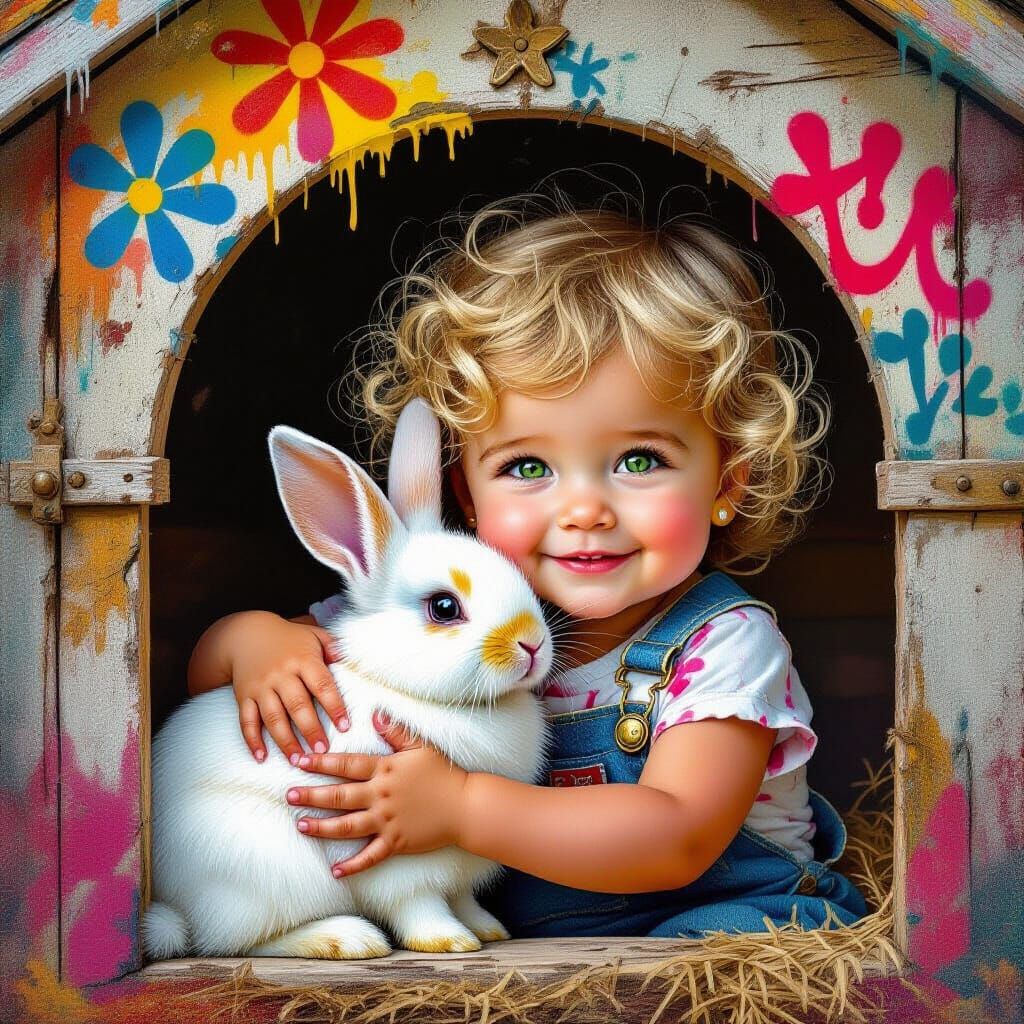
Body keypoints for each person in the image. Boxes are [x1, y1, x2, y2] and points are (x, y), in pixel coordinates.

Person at [186, 198, 867, 938]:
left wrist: (462, 807)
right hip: (527, 961)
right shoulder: (436, 619)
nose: (584, 509)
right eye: (528, 465)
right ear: (463, 495)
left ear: (728, 480)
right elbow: (223, 695)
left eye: (640, 460)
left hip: (710, 927)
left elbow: (675, 837)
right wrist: (255, 643)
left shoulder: (722, 646)